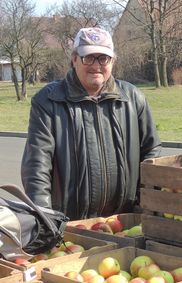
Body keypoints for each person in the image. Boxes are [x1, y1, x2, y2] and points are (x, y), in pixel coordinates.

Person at [21, 27, 161, 220]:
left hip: (124, 222)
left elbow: (151, 152)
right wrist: (45, 219)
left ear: (112, 61)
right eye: (88, 57)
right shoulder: (48, 101)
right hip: (70, 225)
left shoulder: (132, 98)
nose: (96, 65)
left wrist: (142, 200)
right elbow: (37, 165)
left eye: (103, 58)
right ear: (74, 59)